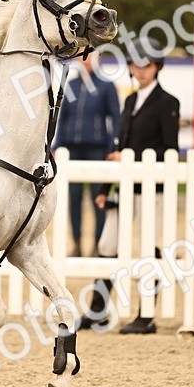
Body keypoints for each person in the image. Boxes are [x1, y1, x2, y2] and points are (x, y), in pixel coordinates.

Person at [88, 40, 181, 334]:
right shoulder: (129, 100)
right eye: (136, 65)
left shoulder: (168, 103)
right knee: (107, 244)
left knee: (147, 248)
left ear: (157, 67)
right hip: (122, 188)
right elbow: (120, 146)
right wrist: (105, 187)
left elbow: (170, 150)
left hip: (149, 189)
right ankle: (97, 310)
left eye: (147, 65)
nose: (140, 71)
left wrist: (131, 159)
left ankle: (146, 315)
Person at [54, 53, 120, 256]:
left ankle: (97, 245)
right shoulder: (70, 86)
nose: (85, 61)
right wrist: (57, 146)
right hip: (73, 149)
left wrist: (113, 147)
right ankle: (76, 244)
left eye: (89, 57)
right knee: (73, 199)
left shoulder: (106, 86)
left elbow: (115, 118)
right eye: (81, 58)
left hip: (97, 149)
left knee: (97, 199)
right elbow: (62, 118)